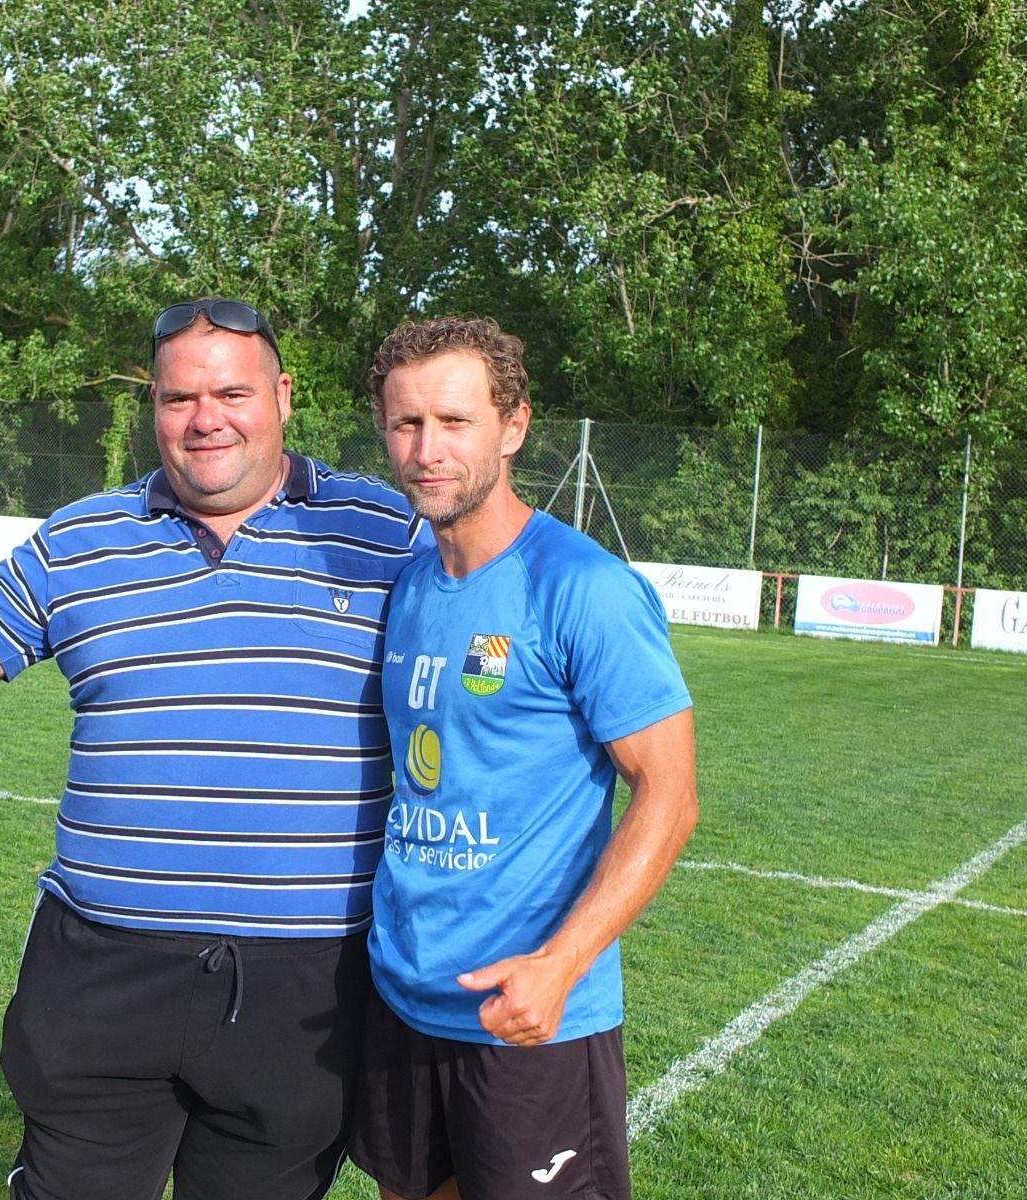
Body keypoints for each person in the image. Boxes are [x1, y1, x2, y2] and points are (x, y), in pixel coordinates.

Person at [0, 297, 429, 1200]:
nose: (206, 418)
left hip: (304, 991)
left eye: (232, 393)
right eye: (179, 399)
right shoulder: (84, 537)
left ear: (284, 396)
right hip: (101, 971)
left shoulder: (385, 538)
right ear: (154, 409)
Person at [348, 317, 699, 1200]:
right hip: (404, 994)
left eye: (455, 422)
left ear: (513, 427)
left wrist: (562, 962)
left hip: (529, 1015)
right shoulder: (411, 583)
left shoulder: (584, 588)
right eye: (406, 424)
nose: (427, 449)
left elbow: (670, 794)